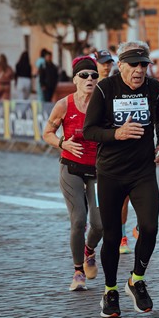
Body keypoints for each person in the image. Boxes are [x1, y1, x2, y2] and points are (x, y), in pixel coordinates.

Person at [83, 40, 159, 316]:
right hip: (110, 173)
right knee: (111, 236)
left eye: (144, 65)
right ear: (120, 65)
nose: (140, 70)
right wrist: (116, 134)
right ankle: (110, 291)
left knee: (150, 227)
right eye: (134, 64)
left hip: (143, 171)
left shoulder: (154, 88)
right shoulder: (105, 89)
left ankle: (136, 279)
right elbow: (89, 130)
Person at [42, 56, 103, 291]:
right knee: (78, 220)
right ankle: (78, 272)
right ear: (75, 79)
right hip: (72, 169)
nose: (90, 79)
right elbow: (47, 132)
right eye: (84, 75)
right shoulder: (64, 104)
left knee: (99, 224)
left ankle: (89, 251)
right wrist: (61, 143)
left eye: (94, 75)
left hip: (97, 172)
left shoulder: (104, 104)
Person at [95, 48, 133, 254]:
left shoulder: (118, 84)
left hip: (120, 147)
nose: (106, 65)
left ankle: (123, 235)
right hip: (97, 147)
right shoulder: (91, 85)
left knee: (124, 197)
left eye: (109, 62)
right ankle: (95, 229)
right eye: (103, 62)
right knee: (99, 200)